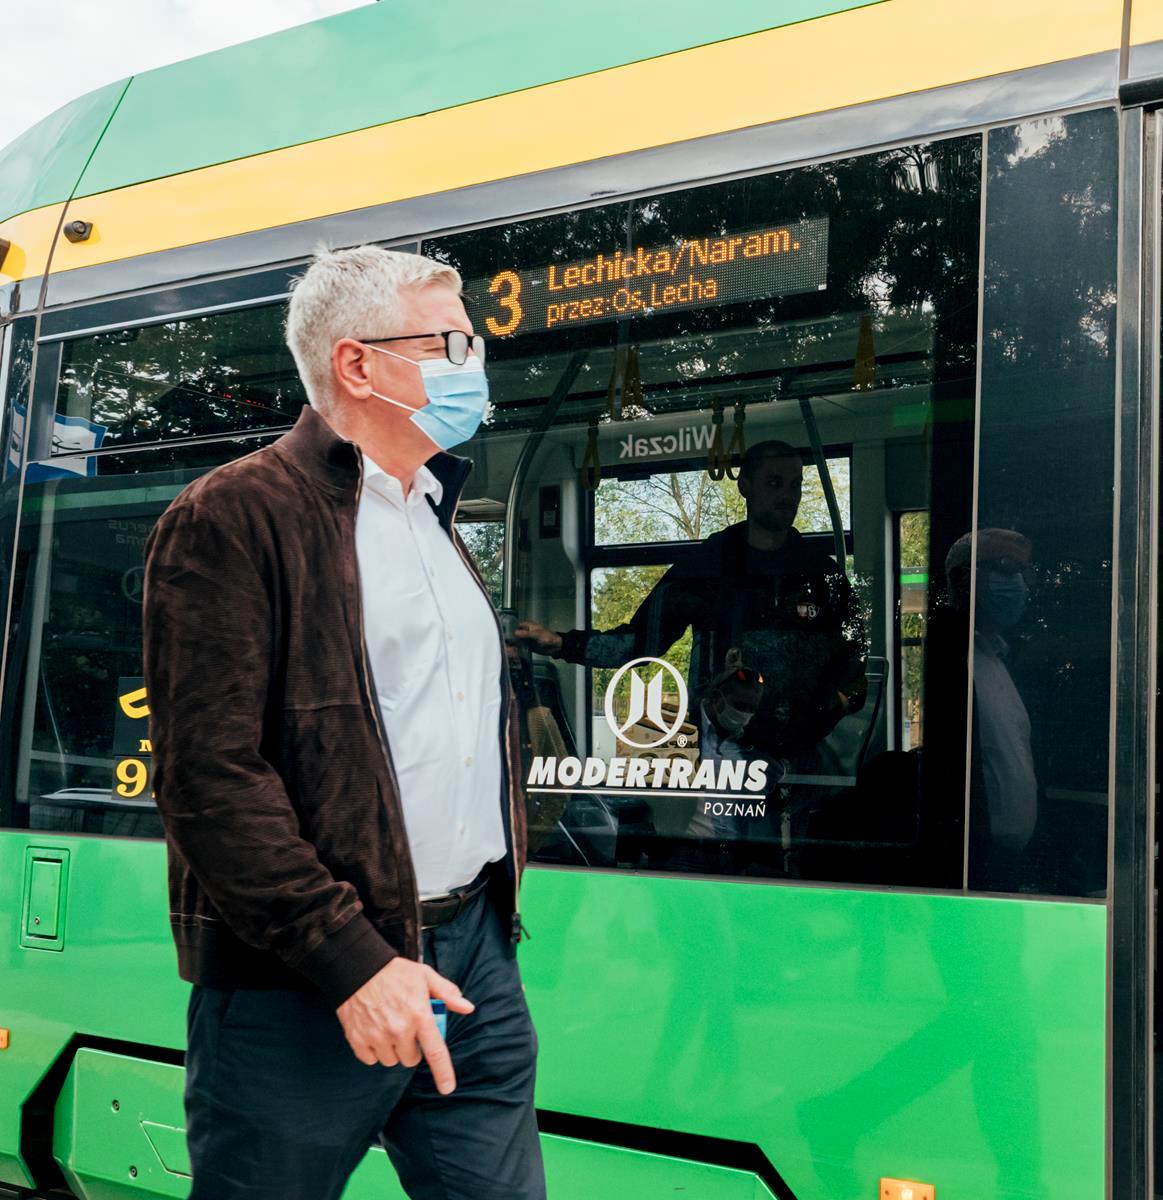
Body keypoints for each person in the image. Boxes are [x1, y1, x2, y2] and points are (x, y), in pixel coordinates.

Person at [143, 246, 544, 1200]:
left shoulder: (433, 517)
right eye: (448, 341)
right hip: (307, 982)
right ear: (357, 365)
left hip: (472, 961)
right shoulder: (232, 516)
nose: (471, 361)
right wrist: (354, 963)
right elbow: (210, 778)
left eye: (472, 340)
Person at [514, 439, 864, 859]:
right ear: (745, 485)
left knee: (814, 864)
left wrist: (839, 702)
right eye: (775, 483)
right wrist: (559, 643)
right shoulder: (708, 567)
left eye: (795, 485)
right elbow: (636, 643)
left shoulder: (821, 573)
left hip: (808, 753)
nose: (787, 496)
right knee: (739, 863)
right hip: (734, 752)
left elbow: (854, 660)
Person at [947, 528, 1039, 891]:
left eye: (1022, 572)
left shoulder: (998, 659)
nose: (1019, 584)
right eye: (1004, 567)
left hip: (1006, 868)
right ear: (964, 580)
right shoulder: (955, 661)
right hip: (974, 866)